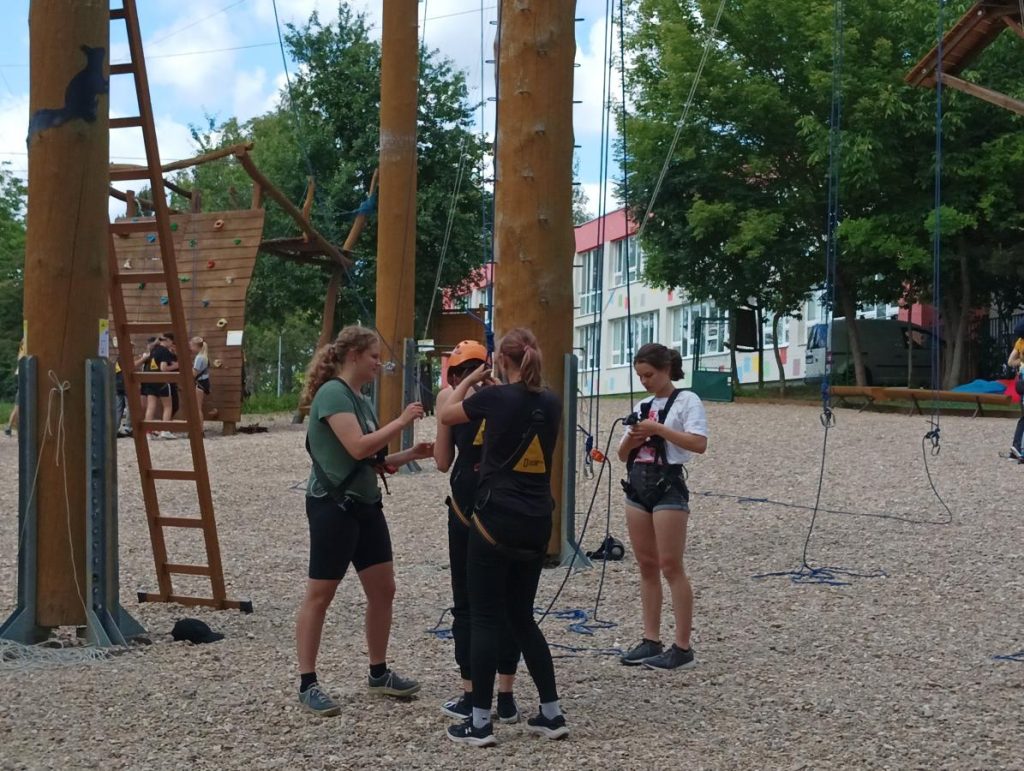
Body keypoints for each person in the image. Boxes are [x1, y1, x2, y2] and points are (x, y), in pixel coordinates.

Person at [296, 325, 435, 718]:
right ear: (354, 355)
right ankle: (308, 683)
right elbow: (357, 447)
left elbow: (373, 461)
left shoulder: (359, 398)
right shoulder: (332, 394)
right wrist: (402, 421)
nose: (379, 363)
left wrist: (412, 454)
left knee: (383, 590)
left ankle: (378, 672)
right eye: (374, 356)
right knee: (320, 594)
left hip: (366, 505)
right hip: (333, 507)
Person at [440, 327, 567, 747]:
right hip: (537, 520)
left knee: (484, 616)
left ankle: (479, 721)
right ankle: (551, 712)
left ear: (502, 361)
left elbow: (447, 415)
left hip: (496, 518)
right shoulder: (552, 402)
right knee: (523, 617)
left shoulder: (494, 398)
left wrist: (471, 381)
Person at [434, 340, 519, 725]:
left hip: (467, 507)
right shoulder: (508, 397)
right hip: (504, 504)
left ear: (455, 374)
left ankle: (471, 692)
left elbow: (442, 461)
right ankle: (506, 694)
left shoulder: (450, 400)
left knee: (467, 602)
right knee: (507, 601)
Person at [617, 343, 708, 671]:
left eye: (649, 375)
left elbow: (698, 443)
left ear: (666, 370)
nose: (644, 381)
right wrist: (634, 437)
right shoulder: (642, 405)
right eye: (640, 376)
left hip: (668, 486)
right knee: (646, 564)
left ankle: (682, 647)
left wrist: (657, 429)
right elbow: (622, 455)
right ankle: (650, 638)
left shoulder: (687, 400)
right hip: (638, 486)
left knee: (670, 565)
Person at [143, 333, 178, 439]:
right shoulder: (164, 351)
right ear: (168, 340)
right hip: (162, 381)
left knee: (151, 406)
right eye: (172, 342)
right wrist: (176, 366)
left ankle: (148, 432)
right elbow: (163, 368)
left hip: (150, 380)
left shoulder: (153, 350)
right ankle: (165, 430)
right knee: (168, 406)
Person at [1006, 319, 1024, 462]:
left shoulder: (1019, 343)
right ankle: (1017, 447)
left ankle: (1016, 448)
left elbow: (1010, 361)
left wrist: (1022, 361)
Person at [4, 337, 25, 437]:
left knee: (18, 404)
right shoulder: (25, 347)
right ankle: (13, 427)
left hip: (20, 373)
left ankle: (9, 427)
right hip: (22, 374)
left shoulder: (22, 348)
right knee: (19, 404)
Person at [190, 336, 211, 424]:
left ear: (196, 346)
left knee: (197, 408)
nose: (190, 348)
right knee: (198, 407)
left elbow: (194, 374)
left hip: (199, 383)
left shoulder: (199, 358)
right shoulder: (204, 356)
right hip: (204, 382)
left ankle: (199, 428)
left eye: (191, 345)